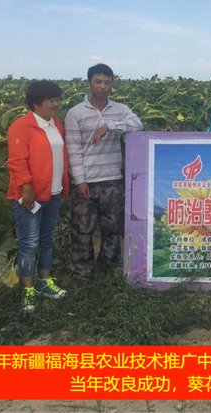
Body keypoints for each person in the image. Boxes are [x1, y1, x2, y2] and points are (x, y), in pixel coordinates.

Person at [64, 63, 143, 277]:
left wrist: (109, 126)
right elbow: (73, 149)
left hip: (113, 179)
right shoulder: (75, 113)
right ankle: (82, 272)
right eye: (98, 81)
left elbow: (137, 124)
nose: (103, 86)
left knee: (112, 228)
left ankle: (109, 272)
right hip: (86, 181)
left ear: (112, 84)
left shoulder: (120, 110)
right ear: (89, 83)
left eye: (107, 82)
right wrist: (79, 181)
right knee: (82, 230)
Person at [7, 80, 70, 312]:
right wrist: (27, 189)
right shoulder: (21, 126)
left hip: (53, 192)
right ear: (36, 103)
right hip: (30, 196)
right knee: (29, 243)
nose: (56, 104)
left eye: (57, 99)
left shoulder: (56, 124)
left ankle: (44, 282)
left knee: (47, 240)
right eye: (51, 100)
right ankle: (28, 290)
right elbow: (17, 161)